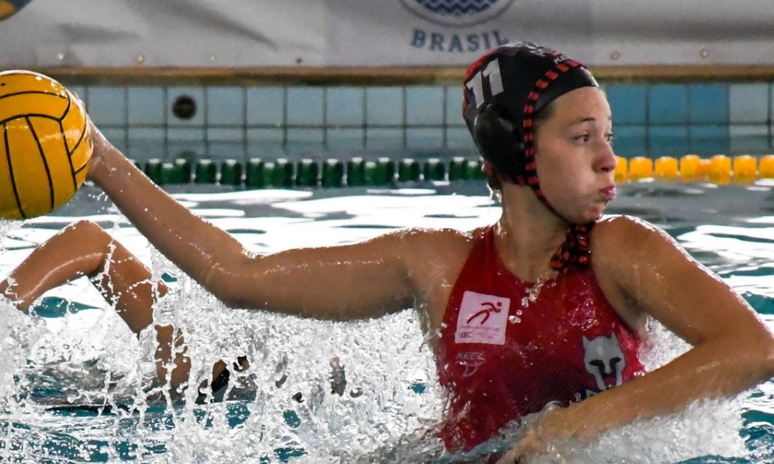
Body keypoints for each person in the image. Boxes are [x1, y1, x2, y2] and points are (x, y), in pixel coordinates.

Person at [1, 42, 773, 462]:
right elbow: (234, 276)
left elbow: (751, 347)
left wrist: (575, 428)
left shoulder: (622, 252)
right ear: (517, 156)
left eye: (609, 135)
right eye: (583, 139)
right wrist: (98, 156)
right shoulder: (435, 266)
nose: (610, 160)